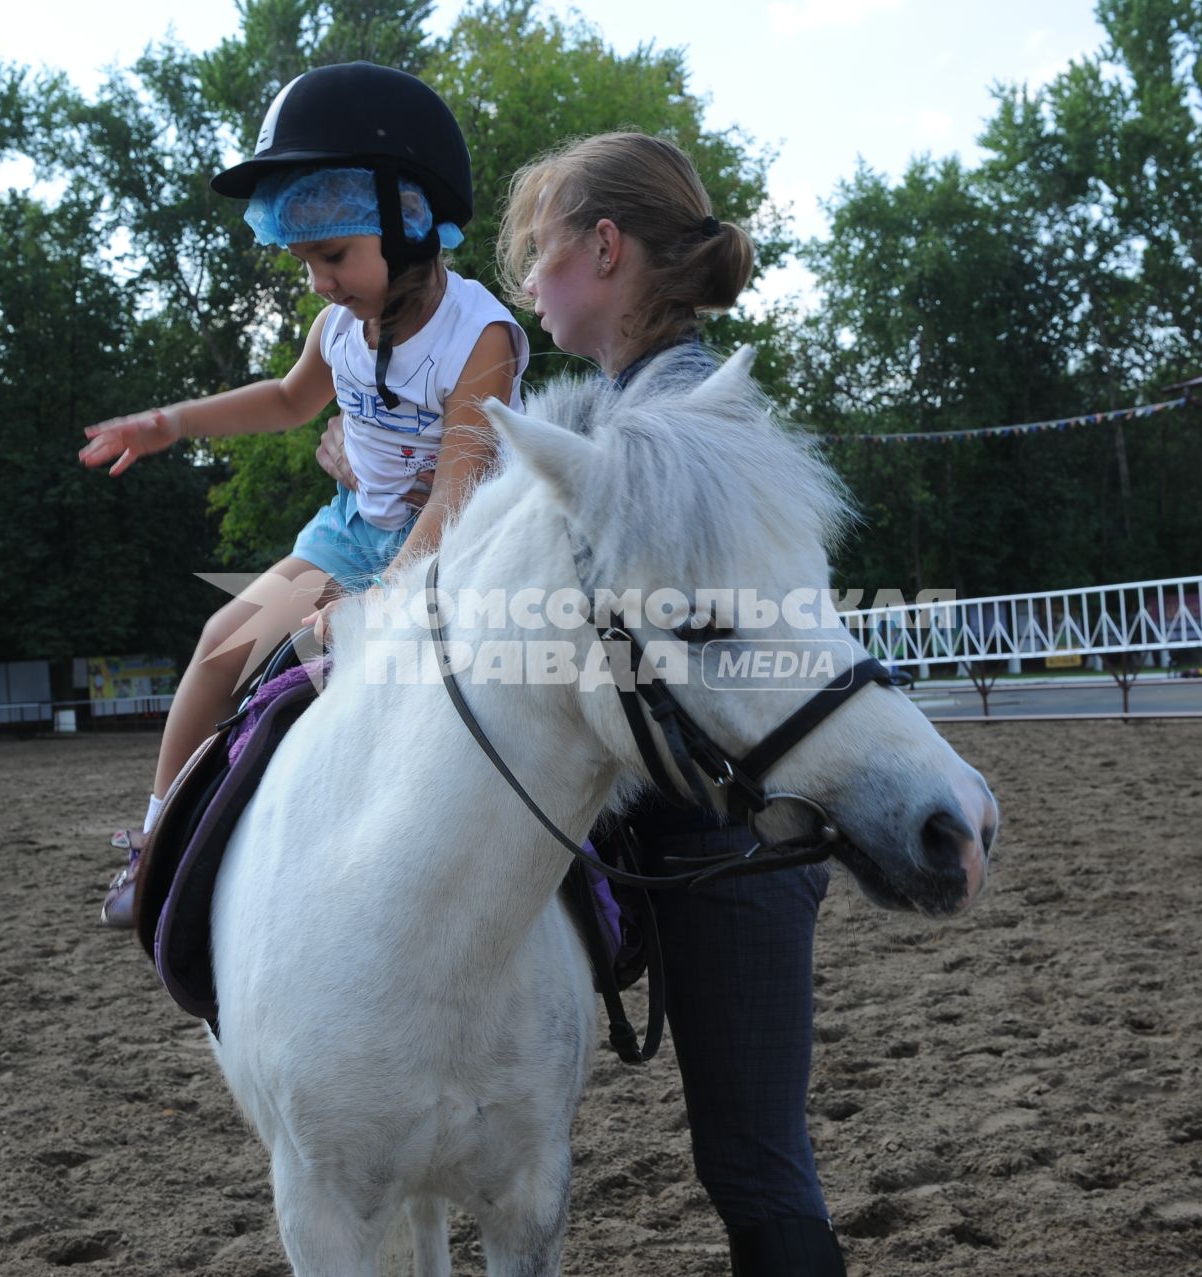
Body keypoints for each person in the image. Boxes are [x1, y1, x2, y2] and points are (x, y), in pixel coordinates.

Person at [316, 131, 848, 1277]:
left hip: (722, 825)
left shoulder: (688, 424)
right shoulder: (614, 411)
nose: (523, 282)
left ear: (603, 249)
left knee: (753, 1159)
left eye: (539, 250)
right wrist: (374, 476)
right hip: (608, 805)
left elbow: (732, 645)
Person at [80, 62, 527, 927]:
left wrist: (376, 604)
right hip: (352, 533)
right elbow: (290, 400)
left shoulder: (483, 340)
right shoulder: (340, 326)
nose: (320, 280)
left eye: (333, 255)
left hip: (452, 553)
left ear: (407, 222)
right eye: (305, 262)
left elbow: (455, 498)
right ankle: (157, 844)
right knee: (221, 646)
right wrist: (170, 423)